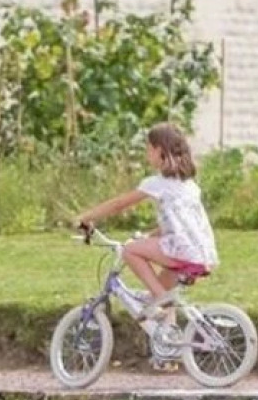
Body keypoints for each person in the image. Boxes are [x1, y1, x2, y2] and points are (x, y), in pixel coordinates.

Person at [71, 123, 219, 337]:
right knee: (160, 290)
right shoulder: (189, 185)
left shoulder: (157, 183)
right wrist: (149, 237)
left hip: (181, 250)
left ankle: (162, 300)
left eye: (148, 148)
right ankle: (169, 346)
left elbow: (118, 204)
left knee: (130, 250)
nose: (146, 153)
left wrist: (85, 217)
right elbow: (178, 224)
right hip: (201, 253)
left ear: (160, 150)